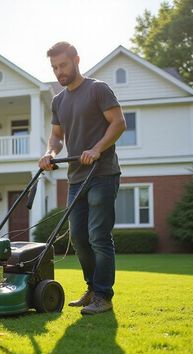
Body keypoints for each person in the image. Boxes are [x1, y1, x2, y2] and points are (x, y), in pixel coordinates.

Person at [38, 41, 126, 315]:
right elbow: (56, 136)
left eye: (63, 65)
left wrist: (97, 149)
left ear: (76, 60)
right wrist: (50, 153)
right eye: (54, 67)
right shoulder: (58, 100)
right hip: (76, 178)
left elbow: (119, 122)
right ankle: (92, 288)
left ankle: (104, 295)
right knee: (78, 236)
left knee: (98, 235)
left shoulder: (98, 89)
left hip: (102, 173)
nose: (59, 72)